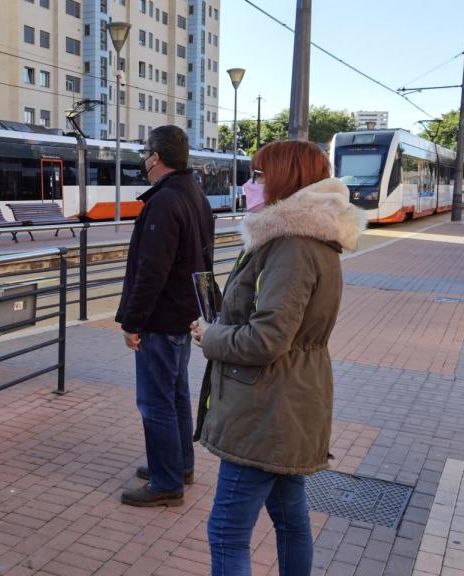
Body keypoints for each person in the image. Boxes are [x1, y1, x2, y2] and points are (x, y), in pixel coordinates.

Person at [191, 140, 363, 575]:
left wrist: (211, 336)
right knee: (290, 521)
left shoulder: (292, 245)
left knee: (226, 533)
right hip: (289, 402)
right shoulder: (302, 240)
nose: (250, 185)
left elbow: (267, 339)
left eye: (259, 176)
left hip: (266, 408)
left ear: (286, 179)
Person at [116, 125, 215, 507]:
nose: (143, 159)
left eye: (145, 153)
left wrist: (133, 322)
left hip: (160, 319)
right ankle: (179, 465)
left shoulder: (163, 201)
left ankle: (166, 481)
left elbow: (151, 269)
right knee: (175, 395)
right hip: (184, 313)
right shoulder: (195, 195)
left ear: (156, 157)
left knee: (155, 401)